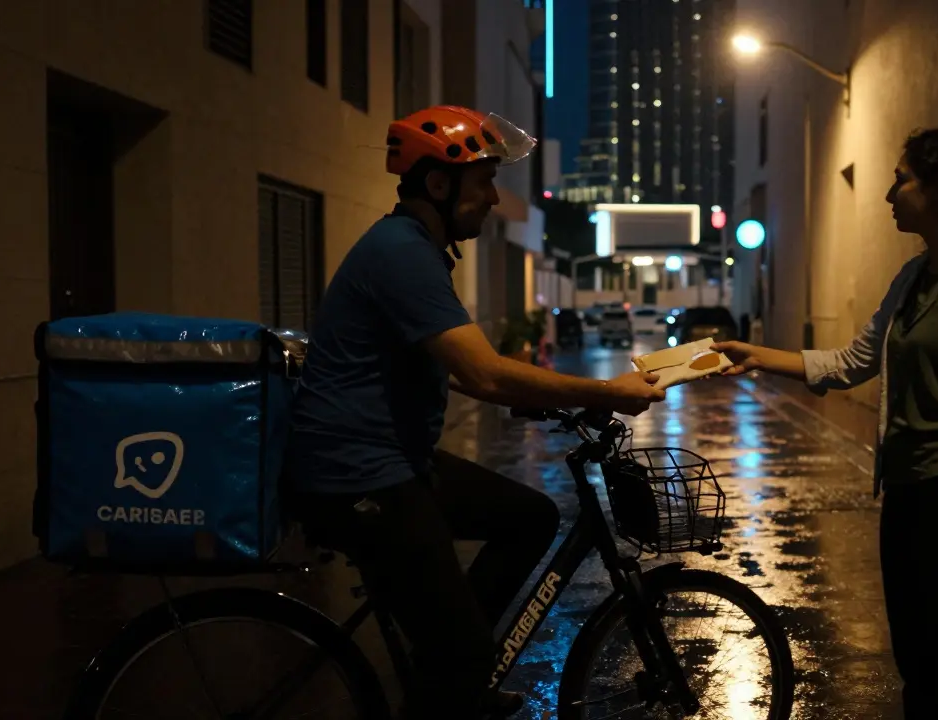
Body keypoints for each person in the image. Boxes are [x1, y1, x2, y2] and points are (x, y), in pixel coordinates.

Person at [283, 105, 665, 719]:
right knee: (461, 648)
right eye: (484, 180)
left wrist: (536, 398)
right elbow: (480, 371)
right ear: (439, 184)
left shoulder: (418, 249)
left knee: (529, 518)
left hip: (392, 462)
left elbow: (442, 365)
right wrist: (605, 392)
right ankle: (455, 669)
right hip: (356, 475)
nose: (493, 197)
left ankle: (453, 670)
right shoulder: (401, 253)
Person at [714, 128, 938, 719]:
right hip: (907, 491)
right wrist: (757, 356)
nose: (890, 193)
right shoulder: (914, 278)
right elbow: (852, 361)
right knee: (917, 662)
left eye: (902, 178)